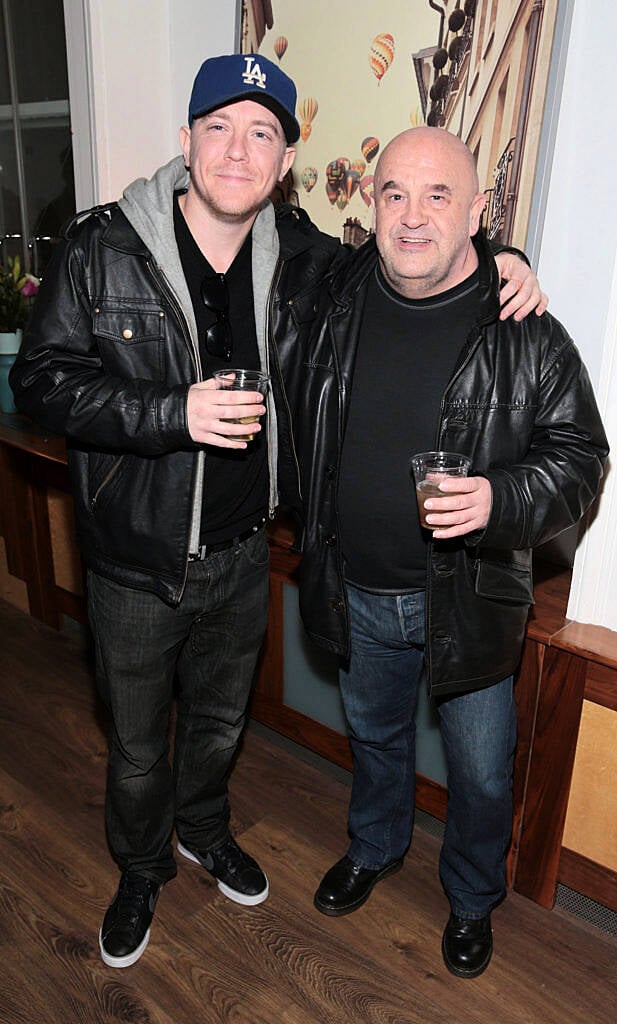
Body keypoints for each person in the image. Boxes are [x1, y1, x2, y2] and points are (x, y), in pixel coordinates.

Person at [9, 52, 544, 971]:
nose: (236, 149)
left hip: (247, 550)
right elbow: (41, 383)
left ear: (285, 158)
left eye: (261, 133)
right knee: (138, 747)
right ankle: (140, 869)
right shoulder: (103, 246)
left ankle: (204, 831)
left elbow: (416, 252)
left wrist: (506, 260)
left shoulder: (301, 259)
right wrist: (169, 411)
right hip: (136, 555)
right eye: (218, 127)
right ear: (186, 141)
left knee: (220, 725)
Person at [291, 127, 608, 979]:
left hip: (466, 600)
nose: (412, 216)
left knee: (481, 775)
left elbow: (583, 455)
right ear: (370, 204)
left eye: (438, 196)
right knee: (376, 738)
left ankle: (471, 900)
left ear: (476, 211)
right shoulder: (330, 294)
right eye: (394, 193)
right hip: (354, 585)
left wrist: (502, 499)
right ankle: (374, 847)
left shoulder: (525, 328)